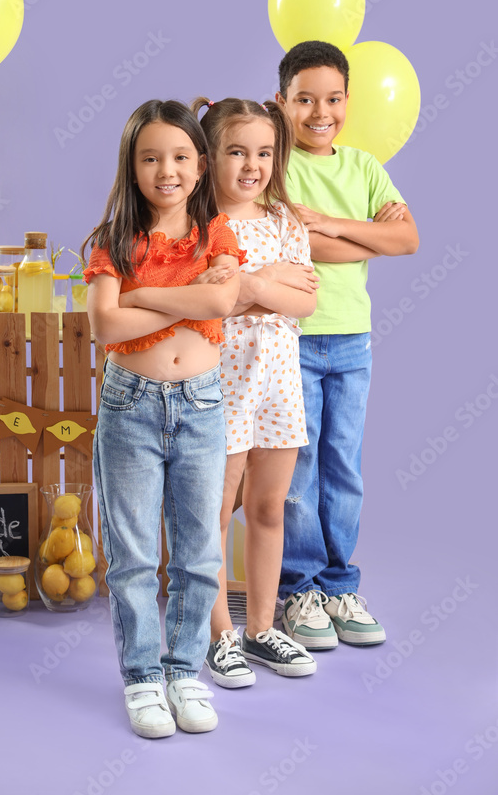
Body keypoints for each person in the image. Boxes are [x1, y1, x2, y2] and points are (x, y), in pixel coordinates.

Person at [83, 99, 242, 738]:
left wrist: (143, 293)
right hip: (131, 406)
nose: (165, 170)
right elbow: (106, 324)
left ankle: (185, 673)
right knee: (133, 555)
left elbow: (222, 298)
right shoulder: (112, 241)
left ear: (200, 166)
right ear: (133, 166)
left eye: (179, 157)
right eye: (150, 158)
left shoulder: (216, 236)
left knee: (200, 551)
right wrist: (181, 302)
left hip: (202, 405)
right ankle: (144, 678)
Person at [275, 41, 419, 650]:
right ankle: (298, 587)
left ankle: (340, 583)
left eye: (332, 98)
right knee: (297, 467)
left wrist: (330, 224)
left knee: (343, 465)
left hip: (352, 340)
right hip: (294, 337)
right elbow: (290, 245)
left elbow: (408, 238)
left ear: (348, 102)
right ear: (282, 103)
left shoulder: (362, 168)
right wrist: (371, 238)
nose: (319, 111)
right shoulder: (275, 165)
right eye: (304, 99)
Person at [192, 96, 318, 687]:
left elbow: (307, 301)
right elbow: (213, 301)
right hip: (221, 386)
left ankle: (262, 628)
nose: (252, 165)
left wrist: (248, 286)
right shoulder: (198, 228)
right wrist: (267, 284)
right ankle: (220, 636)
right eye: (237, 151)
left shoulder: (285, 224)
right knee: (216, 512)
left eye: (264, 152)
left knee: (269, 508)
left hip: (277, 388)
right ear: (209, 155)